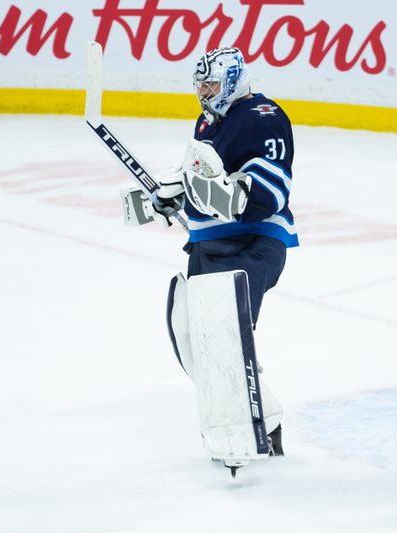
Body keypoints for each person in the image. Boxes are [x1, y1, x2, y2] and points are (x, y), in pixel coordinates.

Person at [121, 47, 297, 466]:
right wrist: (170, 194)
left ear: (234, 80)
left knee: (223, 334)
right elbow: (203, 177)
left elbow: (269, 191)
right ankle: (266, 420)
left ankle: (248, 432)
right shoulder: (208, 120)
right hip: (208, 246)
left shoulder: (263, 116)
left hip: (252, 245)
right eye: (200, 84)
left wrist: (214, 192)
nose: (204, 92)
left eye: (212, 84)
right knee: (193, 339)